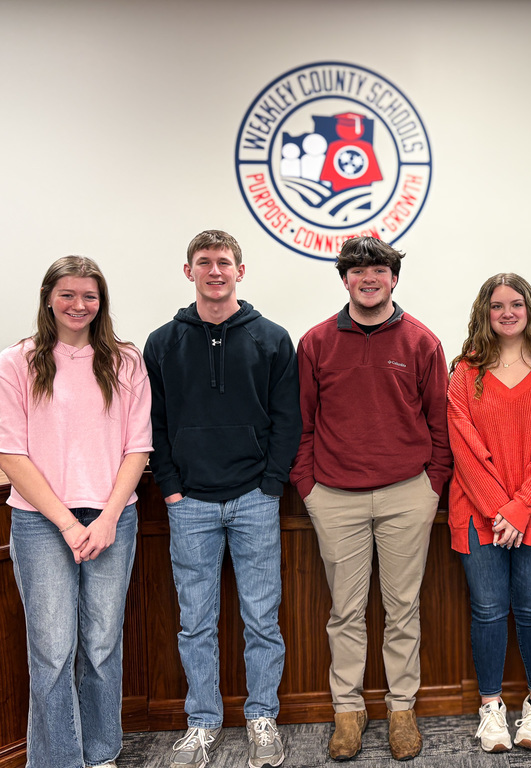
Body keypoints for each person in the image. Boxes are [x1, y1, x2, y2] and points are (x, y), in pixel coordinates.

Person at [144, 230, 301, 768]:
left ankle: (263, 718)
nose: (215, 271)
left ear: (241, 270)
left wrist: (272, 483)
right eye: (204, 262)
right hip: (189, 504)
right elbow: (155, 423)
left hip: (255, 498)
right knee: (196, 621)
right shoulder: (162, 342)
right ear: (188, 271)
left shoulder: (273, 338)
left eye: (224, 262)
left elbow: (288, 420)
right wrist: (169, 486)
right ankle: (203, 723)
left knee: (262, 618)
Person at [291, 236, 452, 762]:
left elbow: (439, 423)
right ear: (344, 280)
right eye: (357, 270)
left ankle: (401, 709)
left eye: (378, 270)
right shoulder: (316, 342)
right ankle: (348, 710)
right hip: (335, 496)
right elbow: (303, 423)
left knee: (403, 608)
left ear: (393, 278)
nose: (368, 278)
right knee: (346, 611)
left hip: (408, 494)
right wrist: (309, 488)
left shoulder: (421, 342)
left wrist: (432, 486)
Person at [0, 256, 152, 768]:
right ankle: (59, 761)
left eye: (89, 296)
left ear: (100, 302)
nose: (78, 305)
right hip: (42, 522)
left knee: (103, 644)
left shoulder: (125, 360)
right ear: (48, 298)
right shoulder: (16, 362)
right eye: (67, 294)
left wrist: (107, 517)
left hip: (114, 518)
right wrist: (67, 522)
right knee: (51, 651)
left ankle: (103, 753)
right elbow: (10, 455)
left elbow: (138, 447)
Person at [447, 273, 531, 753]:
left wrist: (520, 509)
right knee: (486, 610)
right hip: (480, 512)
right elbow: (464, 446)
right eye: (496, 305)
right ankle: (491, 709)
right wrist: (501, 510)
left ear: (529, 310)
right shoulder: (465, 370)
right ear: (484, 312)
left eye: (515, 304)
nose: (506, 312)